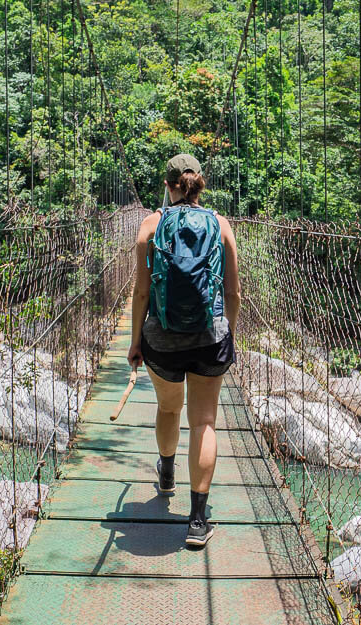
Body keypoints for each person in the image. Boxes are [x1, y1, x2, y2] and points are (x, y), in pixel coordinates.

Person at [126, 153, 242, 547]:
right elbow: (233, 292)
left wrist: (135, 341)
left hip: (162, 340)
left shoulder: (150, 225)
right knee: (204, 421)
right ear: (199, 184)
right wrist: (228, 334)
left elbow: (142, 291)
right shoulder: (220, 224)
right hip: (211, 337)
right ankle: (196, 521)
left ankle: (167, 472)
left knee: (169, 407)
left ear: (168, 185)